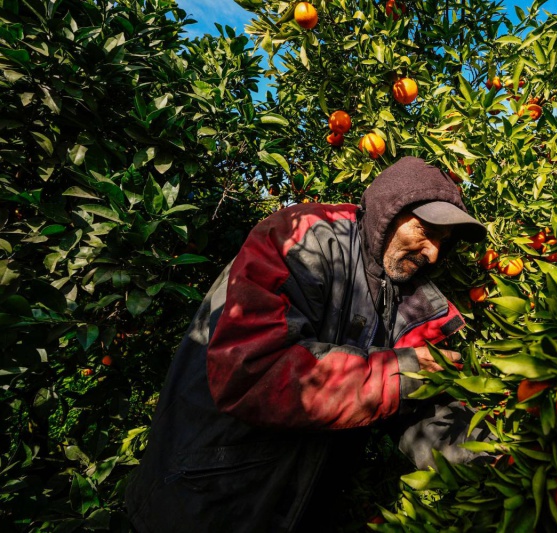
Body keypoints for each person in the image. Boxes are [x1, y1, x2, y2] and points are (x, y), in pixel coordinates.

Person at [124, 156, 488, 532]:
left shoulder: (405, 298)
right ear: (391, 209)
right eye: (426, 231)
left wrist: (494, 456)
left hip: (297, 510)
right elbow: (254, 372)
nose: (433, 253)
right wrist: (400, 372)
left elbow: (419, 403)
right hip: (207, 499)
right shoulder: (303, 238)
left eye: (443, 242)